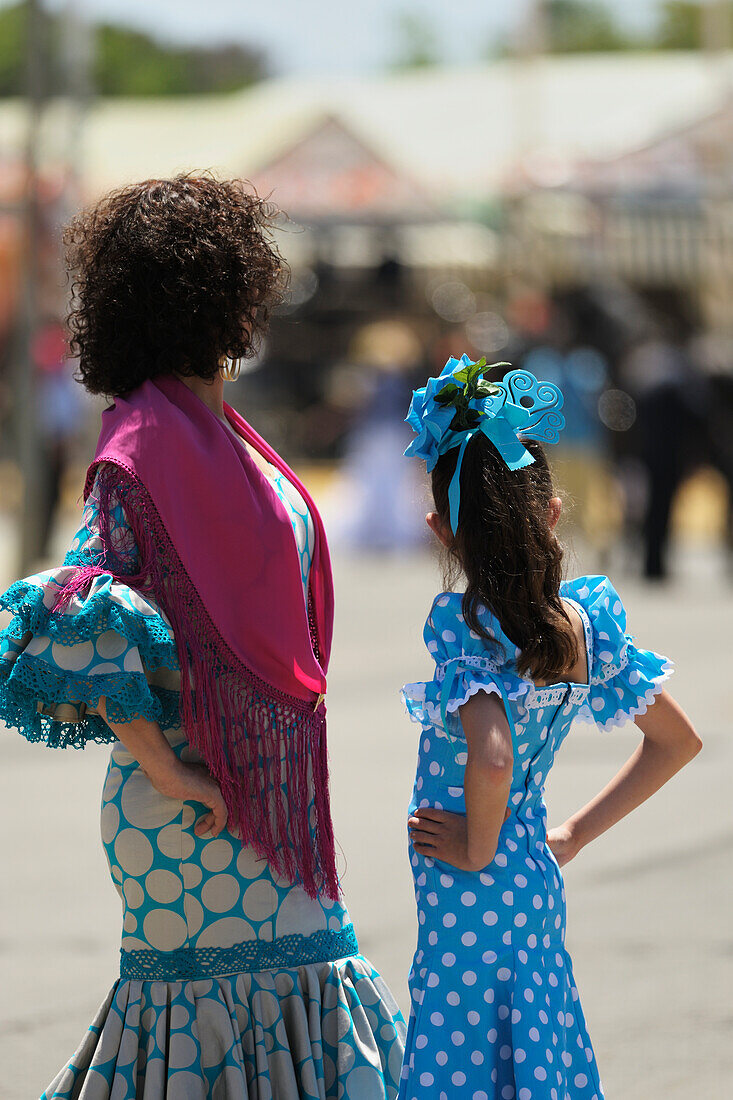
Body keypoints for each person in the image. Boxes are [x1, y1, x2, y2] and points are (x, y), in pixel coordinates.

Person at [0, 175, 405, 1100]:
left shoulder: (219, 430)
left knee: (294, 1003)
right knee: (244, 1026)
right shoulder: (143, 442)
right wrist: (164, 764)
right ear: (225, 291)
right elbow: (73, 607)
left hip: (260, 785)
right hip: (189, 802)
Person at [398, 355, 701, 1099]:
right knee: (534, 1037)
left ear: (442, 530)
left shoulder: (467, 630)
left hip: (469, 894)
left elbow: (492, 757)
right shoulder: (584, 626)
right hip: (532, 877)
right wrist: (568, 835)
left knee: (463, 1052)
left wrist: (474, 844)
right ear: (552, 513)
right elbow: (677, 741)